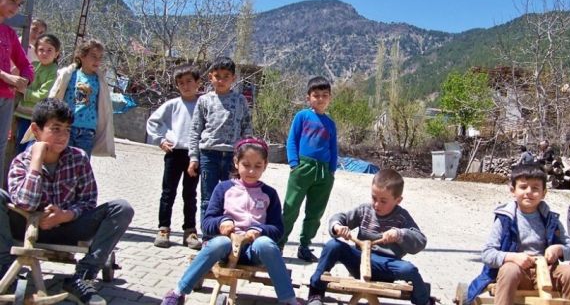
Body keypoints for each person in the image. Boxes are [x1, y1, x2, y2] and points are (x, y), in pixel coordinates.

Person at [0, 98, 134, 305]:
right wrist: (36, 162)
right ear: (36, 130)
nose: (63, 136)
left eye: (67, 130)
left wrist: (66, 214)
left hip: (67, 227)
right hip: (26, 227)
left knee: (122, 208)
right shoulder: (21, 161)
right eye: (55, 129)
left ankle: (82, 278)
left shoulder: (78, 158)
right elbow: (24, 203)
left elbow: (88, 201)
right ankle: (5, 270)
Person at [161, 138, 299, 305]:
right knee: (217, 243)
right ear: (236, 162)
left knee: (267, 244)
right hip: (227, 249)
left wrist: (260, 230)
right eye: (246, 165)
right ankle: (178, 292)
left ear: (265, 164)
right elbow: (207, 222)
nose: (251, 171)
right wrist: (222, 222)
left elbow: (278, 229)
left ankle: (289, 299)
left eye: (257, 166)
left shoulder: (269, 194)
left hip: (253, 251)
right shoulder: (224, 189)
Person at [307, 168, 431, 305]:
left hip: (387, 266)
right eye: (374, 198)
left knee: (409, 269)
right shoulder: (365, 210)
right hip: (360, 262)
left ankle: (424, 301)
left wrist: (399, 234)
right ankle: (315, 293)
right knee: (333, 245)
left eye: (383, 201)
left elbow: (420, 240)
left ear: (398, 200)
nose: (377, 204)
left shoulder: (402, 217)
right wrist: (338, 227)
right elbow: (340, 217)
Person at [462, 164, 570, 305]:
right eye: (523, 187)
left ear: (544, 193)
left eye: (535, 188)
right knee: (509, 270)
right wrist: (512, 257)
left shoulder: (551, 220)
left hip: (546, 271)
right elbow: (487, 254)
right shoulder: (505, 219)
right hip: (518, 273)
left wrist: (559, 250)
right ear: (513, 190)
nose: (529, 192)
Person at [278, 76, 337, 262]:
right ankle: (278, 243)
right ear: (308, 97)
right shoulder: (302, 116)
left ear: (330, 98)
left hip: (323, 172)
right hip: (303, 168)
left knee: (315, 212)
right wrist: (294, 164)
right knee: (290, 207)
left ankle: (304, 245)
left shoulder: (330, 123)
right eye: (316, 95)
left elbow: (333, 148)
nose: (320, 99)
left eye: (324, 95)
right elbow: (292, 140)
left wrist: (331, 171)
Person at [188, 56, 252, 225]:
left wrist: (245, 157)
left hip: (233, 156)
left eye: (226, 76)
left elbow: (247, 129)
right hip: (209, 155)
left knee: (231, 197)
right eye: (217, 76)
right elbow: (195, 130)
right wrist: (194, 157)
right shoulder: (204, 100)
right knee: (208, 198)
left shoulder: (240, 101)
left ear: (233, 78)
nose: (221, 80)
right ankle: (208, 235)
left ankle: (228, 233)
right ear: (211, 77)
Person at [146, 64, 202, 250]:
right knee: (168, 192)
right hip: (174, 153)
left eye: (189, 81)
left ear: (198, 83)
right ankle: (163, 229)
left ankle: (190, 231)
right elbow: (153, 121)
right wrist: (161, 140)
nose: (185, 86)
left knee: (190, 194)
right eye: (181, 83)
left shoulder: (203, 105)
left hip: (194, 155)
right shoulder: (172, 105)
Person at [48, 38, 115, 159]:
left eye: (100, 57)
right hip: (67, 127)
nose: (97, 60)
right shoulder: (70, 75)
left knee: (81, 164)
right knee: (63, 161)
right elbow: (57, 95)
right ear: (82, 56)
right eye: (93, 56)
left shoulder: (99, 80)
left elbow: (103, 105)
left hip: (87, 130)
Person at [0, 0, 34, 184]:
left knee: (1, 147)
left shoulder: (9, 33)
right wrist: (6, 76)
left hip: (6, 99)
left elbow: (25, 64)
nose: (15, 7)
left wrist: (25, 81)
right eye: (12, 0)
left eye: (19, 4)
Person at [14, 34, 61, 154]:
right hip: (22, 114)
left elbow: (44, 95)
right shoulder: (33, 66)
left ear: (56, 53)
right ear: (36, 51)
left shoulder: (54, 72)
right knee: (19, 146)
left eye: (49, 50)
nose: (45, 53)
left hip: (37, 118)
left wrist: (25, 91)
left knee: (31, 149)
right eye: (41, 50)